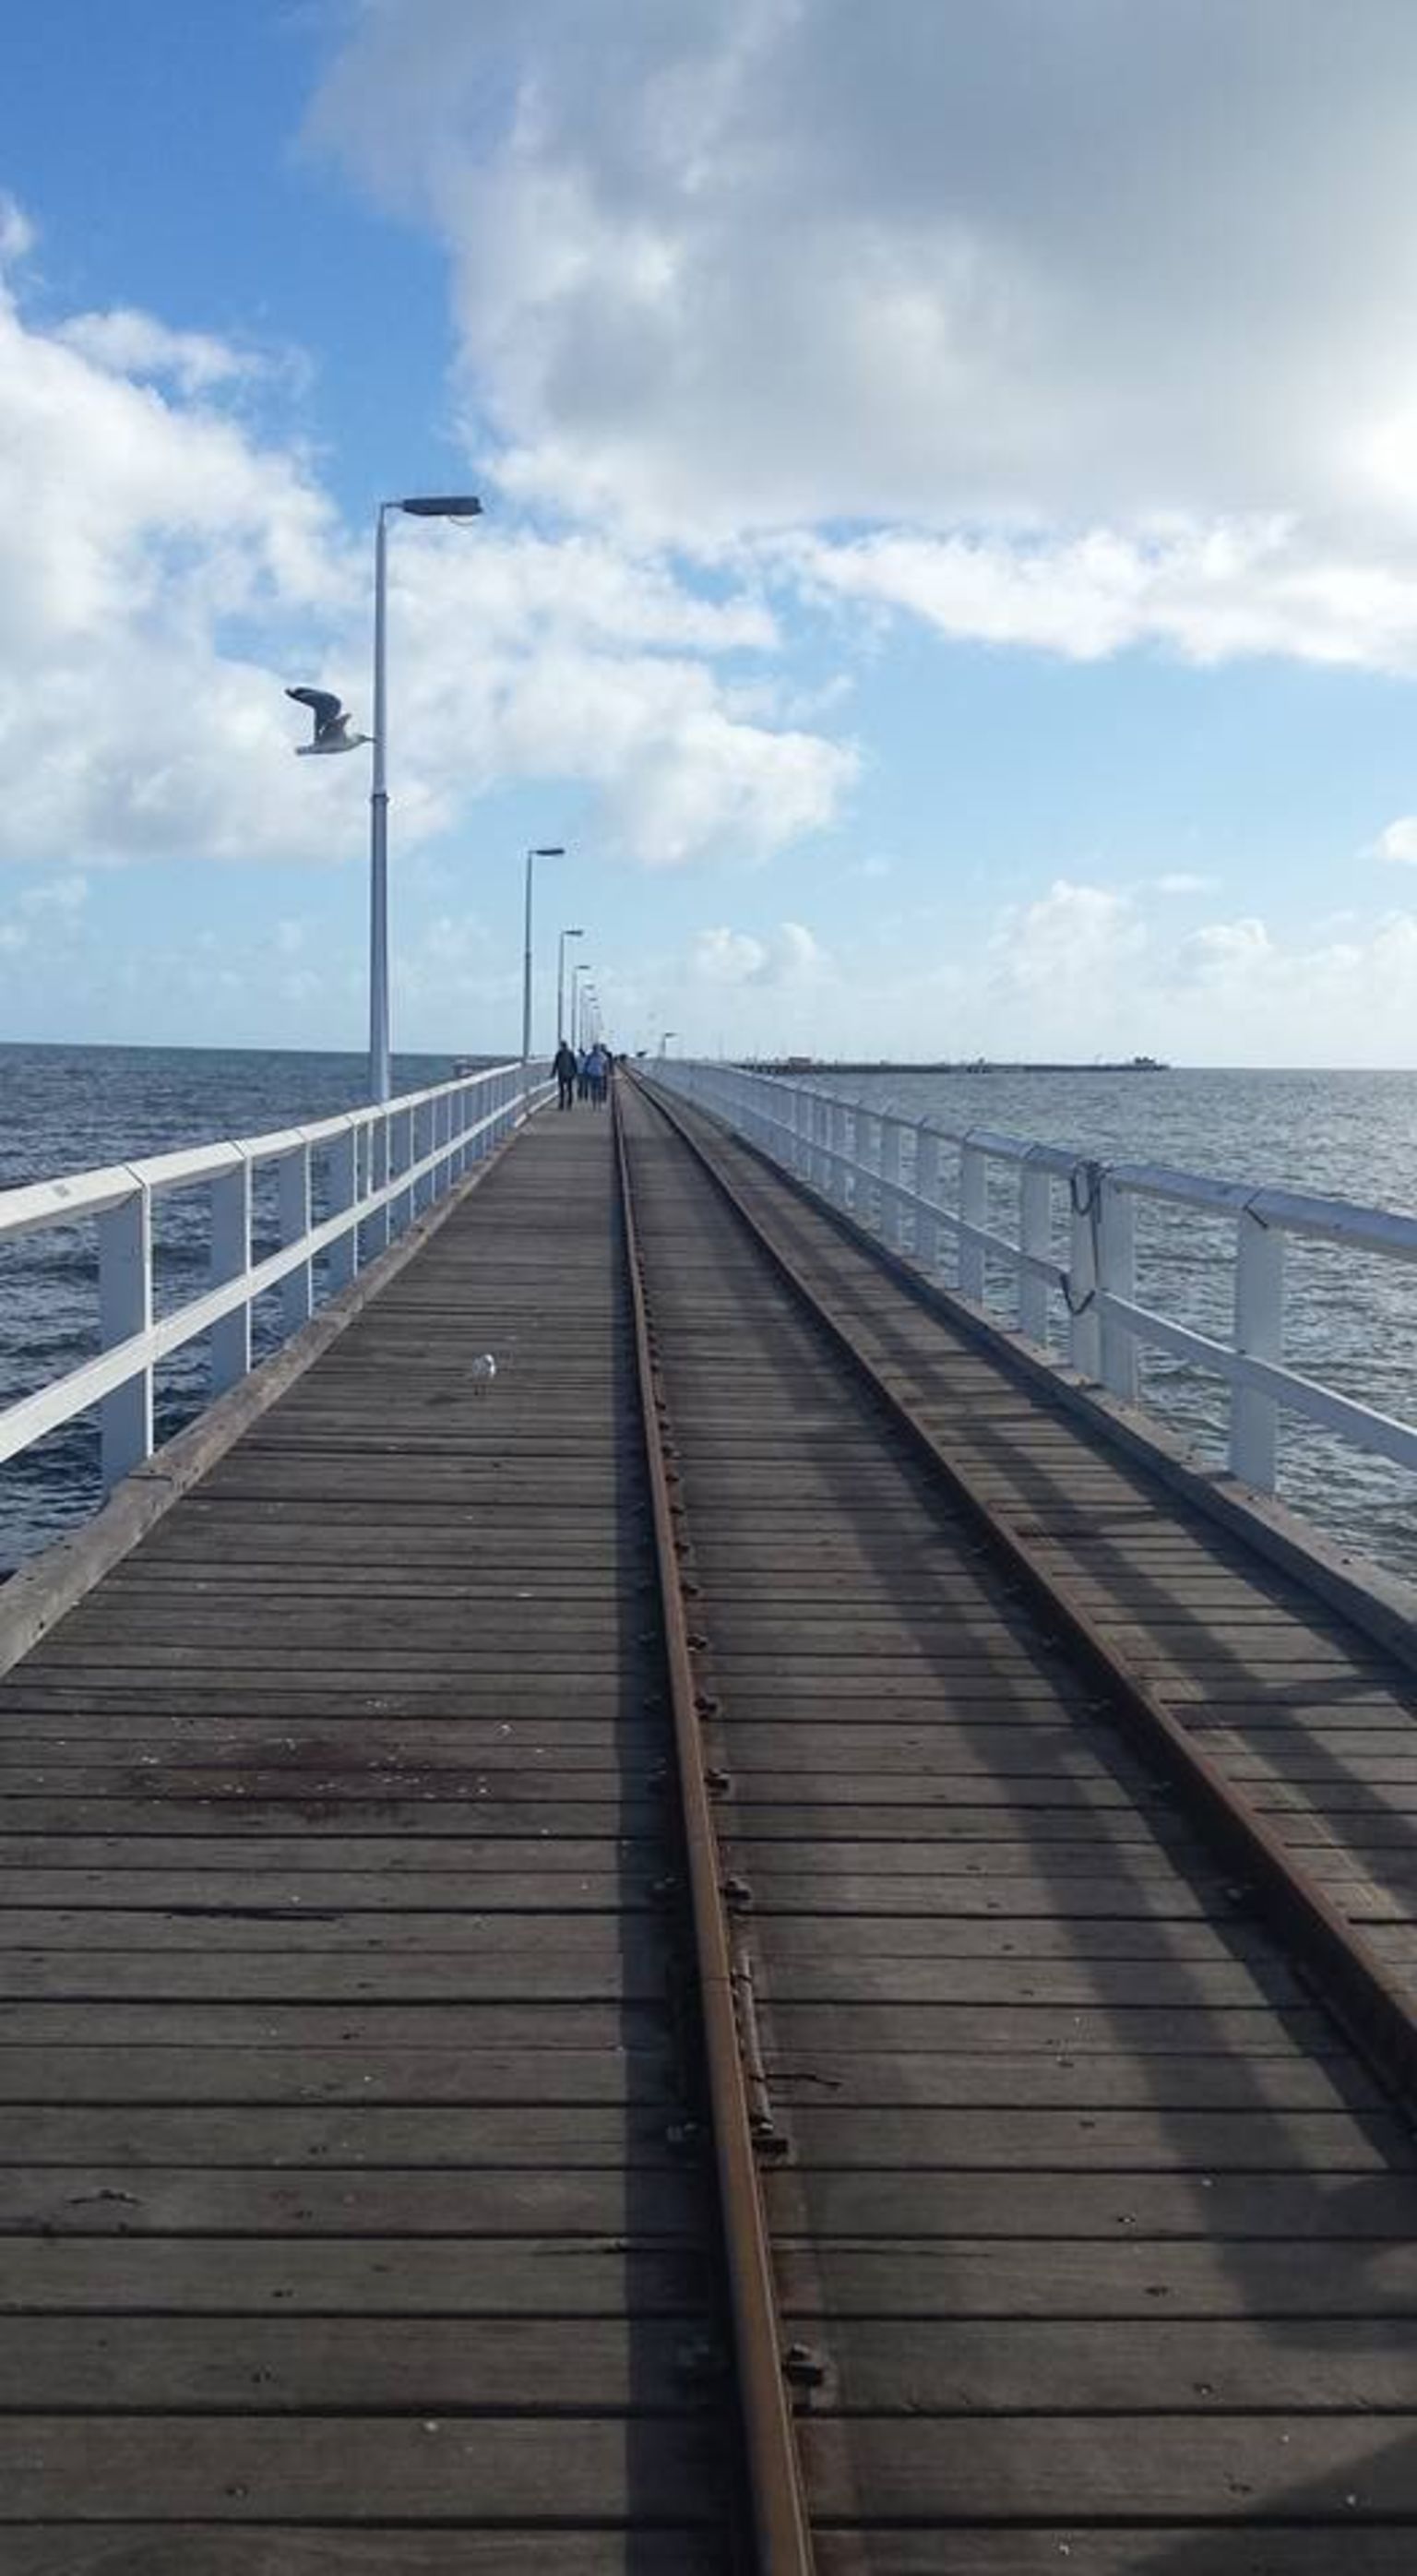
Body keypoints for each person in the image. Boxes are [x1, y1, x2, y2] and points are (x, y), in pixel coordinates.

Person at [553, 1037, 578, 1111]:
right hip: (569, 1074)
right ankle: (568, 1104)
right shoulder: (570, 1053)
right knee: (568, 1090)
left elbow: (556, 1064)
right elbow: (574, 1064)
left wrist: (553, 1073)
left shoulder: (559, 1054)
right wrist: (575, 1073)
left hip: (562, 1074)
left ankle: (562, 1104)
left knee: (562, 1090)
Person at [584, 1039, 608, 1106]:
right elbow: (586, 1064)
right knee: (594, 1089)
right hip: (594, 1075)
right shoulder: (591, 1056)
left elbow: (605, 1065)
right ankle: (595, 1103)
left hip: (600, 1075)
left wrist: (606, 1072)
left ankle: (598, 1103)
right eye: (595, 1048)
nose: (596, 1049)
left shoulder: (602, 1056)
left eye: (596, 1048)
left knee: (599, 1089)